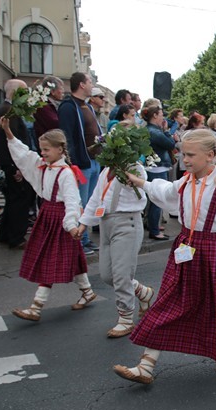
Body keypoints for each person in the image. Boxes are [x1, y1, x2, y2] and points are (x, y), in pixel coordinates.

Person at [113, 129, 216, 384]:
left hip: (213, 253)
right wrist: (141, 182)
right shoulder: (186, 181)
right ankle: (146, 365)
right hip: (185, 249)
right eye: (183, 154)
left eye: (190, 155)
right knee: (167, 302)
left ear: (210, 156)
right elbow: (165, 192)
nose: (185, 159)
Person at [0, 117, 96, 321]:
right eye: (42, 149)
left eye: (46, 150)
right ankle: (87, 291)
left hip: (59, 219)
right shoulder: (43, 165)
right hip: (47, 216)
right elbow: (23, 154)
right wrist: (8, 131)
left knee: (48, 260)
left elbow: (72, 201)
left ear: (60, 149)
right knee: (72, 256)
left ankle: (36, 306)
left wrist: (71, 225)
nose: (42, 153)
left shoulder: (66, 174)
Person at [75, 122, 154, 338]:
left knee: (121, 274)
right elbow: (95, 199)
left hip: (126, 223)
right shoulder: (106, 172)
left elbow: (141, 185)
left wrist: (126, 174)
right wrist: (83, 224)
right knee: (107, 275)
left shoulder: (135, 168)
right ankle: (142, 292)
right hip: (106, 223)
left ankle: (125, 317)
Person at [57, 72, 102, 255]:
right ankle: (79, 241)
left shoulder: (87, 106)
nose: (92, 85)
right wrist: (72, 161)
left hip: (93, 161)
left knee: (90, 201)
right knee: (81, 202)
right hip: (82, 163)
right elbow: (67, 136)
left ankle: (85, 238)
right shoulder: (68, 107)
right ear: (82, 85)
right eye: (90, 81)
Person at [0, 79, 36, 250]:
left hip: (15, 163)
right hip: (15, 164)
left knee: (13, 200)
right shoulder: (9, 111)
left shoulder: (10, 110)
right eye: (24, 91)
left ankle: (6, 234)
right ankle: (16, 237)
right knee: (20, 200)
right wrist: (14, 167)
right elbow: (8, 141)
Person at [142, 104, 176, 241]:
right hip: (157, 168)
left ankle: (153, 225)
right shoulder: (154, 131)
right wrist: (167, 131)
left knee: (154, 199)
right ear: (155, 115)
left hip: (156, 166)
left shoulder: (151, 130)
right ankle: (154, 230)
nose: (164, 117)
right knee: (157, 199)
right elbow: (170, 144)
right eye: (162, 114)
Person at [33, 75, 64, 142]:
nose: (63, 92)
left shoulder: (50, 103)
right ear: (52, 92)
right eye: (61, 89)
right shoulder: (43, 105)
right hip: (48, 143)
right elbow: (55, 123)